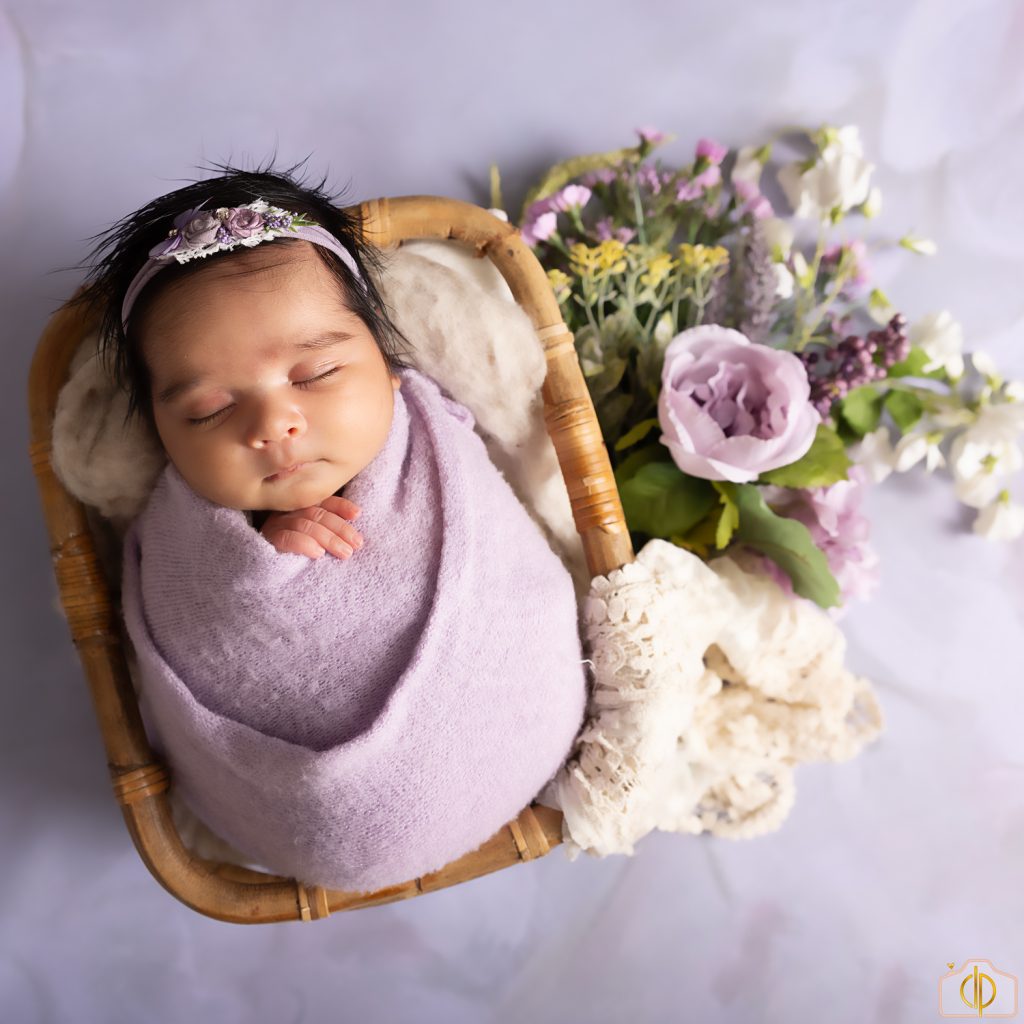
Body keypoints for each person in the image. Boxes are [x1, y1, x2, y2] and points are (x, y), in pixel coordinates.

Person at [69, 160, 588, 892]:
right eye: (210, 410)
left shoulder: (430, 427)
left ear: (390, 366)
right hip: (306, 822)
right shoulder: (180, 534)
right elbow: (195, 611)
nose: (274, 423)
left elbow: (522, 548)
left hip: (522, 712)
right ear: (162, 433)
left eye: (314, 376)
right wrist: (250, 556)